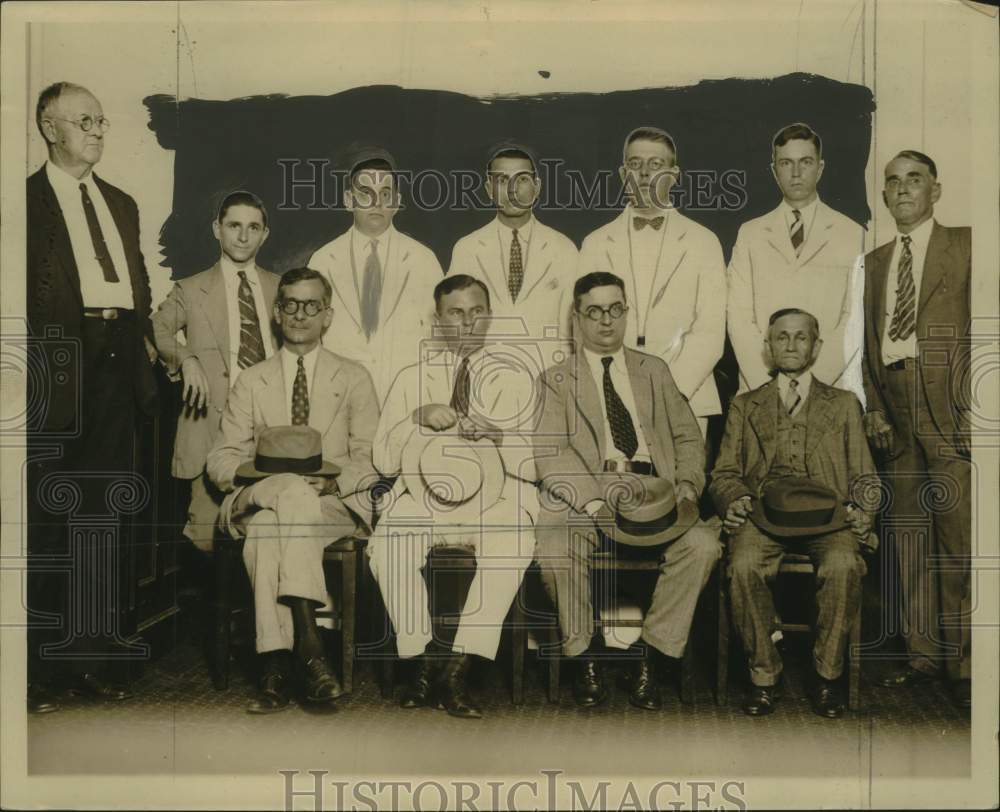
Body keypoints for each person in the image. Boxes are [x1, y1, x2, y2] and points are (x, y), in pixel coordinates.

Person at [26, 82, 159, 713]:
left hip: (117, 365)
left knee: (101, 521)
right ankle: (39, 673)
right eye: (85, 121)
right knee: (50, 524)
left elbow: (140, 284)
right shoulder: (22, 202)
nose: (99, 131)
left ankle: (89, 664)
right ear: (50, 129)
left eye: (102, 120)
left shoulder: (123, 203)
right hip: (54, 373)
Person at [533, 271, 722, 709]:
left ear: (626, 311)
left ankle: (653, 658)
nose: (606, 321)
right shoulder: (556, 378)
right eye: (595, 311)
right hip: (588, 489)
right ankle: (585, 658)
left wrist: (689, 487)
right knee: (556, 545)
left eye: (615, 309)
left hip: (654, 489)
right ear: (577, 317)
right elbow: (551, 454)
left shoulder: (653, 369)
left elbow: (689, 438)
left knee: (702, 547)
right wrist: (595, 501)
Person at [206, 268, 380, 713]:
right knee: (286, 497)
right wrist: (271, 482)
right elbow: (222, 459)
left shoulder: (354, 377)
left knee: (271, 527)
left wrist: (331, 481)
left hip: (331, 505)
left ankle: (276, 662)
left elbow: (369, 457)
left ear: (328, 315)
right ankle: (310, 646)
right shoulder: (252, 380)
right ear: (277, 313)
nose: (300, 314)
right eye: (290, 304)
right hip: (262, 494)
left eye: (311, 305)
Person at [369, 274, 536, 719]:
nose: (467, 322)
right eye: (455, 313)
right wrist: (416, 418)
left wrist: (499, 434)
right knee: (388, 543)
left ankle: (459, 666)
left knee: (516, 538)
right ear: (438, 319)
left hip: (493, 500)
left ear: (490, 315)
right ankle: (421, 660)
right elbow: (384, 459)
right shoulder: (412, 378)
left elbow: (537, 464)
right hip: (425, 497)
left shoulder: (517, 379)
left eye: (477, 311)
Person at [710, 308, 877, 718]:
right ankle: (764, 673)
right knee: (744, 564)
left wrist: (864, 511)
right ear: (767, 348)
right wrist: (733, 499)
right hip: (764, 514)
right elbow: (724, 472)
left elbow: (866, 478)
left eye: (801, 337)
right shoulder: (746, 406)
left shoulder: (843, 405)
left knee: (843, 565)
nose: (790, 344)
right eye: (781, 337)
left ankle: (827, 676)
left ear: (817, 347)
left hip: (828, 517)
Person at [860, 150, 972, 709]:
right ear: (884, 196)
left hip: (951, 409)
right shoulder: (876, 260)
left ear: (936, 189)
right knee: (908, 537)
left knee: (958, 538)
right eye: (893, 182)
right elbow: (868, 346)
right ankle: (924, 656)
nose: (903, 189)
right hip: (896, 410)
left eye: (915, 180)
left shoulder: (968, 246)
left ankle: (968, 664)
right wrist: (875, 407)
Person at [151, 191, 280, 552]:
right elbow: (157, 329)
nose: (243, 236)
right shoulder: (190, 290)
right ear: (216, 229)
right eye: (233, 225)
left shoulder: (280, 288)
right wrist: (186, 359)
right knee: (207, 540)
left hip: (269, 429)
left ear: (265, 234)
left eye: (253, 227)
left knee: (268, 535)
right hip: (211, 430)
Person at [577, 127, 726, 437]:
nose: (644, 174)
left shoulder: (704, 241)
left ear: (674, 174)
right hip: (612, 399)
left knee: (680, 486)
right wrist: (616, 390)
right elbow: (582, 326)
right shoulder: (594, 243)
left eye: (656, 165)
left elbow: (710, 331)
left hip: (686, 398)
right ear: (622, 173)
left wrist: (671, 393)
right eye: (635, 164)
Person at [726, 123, 866, 400]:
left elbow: (853, 319)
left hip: (830, 389)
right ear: (774, 169)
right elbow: (739, 316)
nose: (796, 172)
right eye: (786, 163)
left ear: (821, 167)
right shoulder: (750, 233)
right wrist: (768, 382)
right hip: (760, 388)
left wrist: (812, 384)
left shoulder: (852, 234)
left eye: (806, 162)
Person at [307, 146, 444, 402]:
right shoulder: (323, 261)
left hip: (408, 400)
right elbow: (311, 338)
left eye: (385, 193)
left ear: (397, 201)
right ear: (349, 199)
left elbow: (440, 339)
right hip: (340, 399)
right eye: (366, 193)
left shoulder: (424, 260)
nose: (377, 202)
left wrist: (430, 397)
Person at [448, 142, 578, 342]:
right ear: (489, 189)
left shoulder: (564, 248)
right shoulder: (467, 249)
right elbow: (453, 322)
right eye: (502, 180)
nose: (512, 190)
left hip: (548, 368)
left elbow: (576, 328)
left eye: (522, 179)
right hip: (486, 367)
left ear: (537, 187)